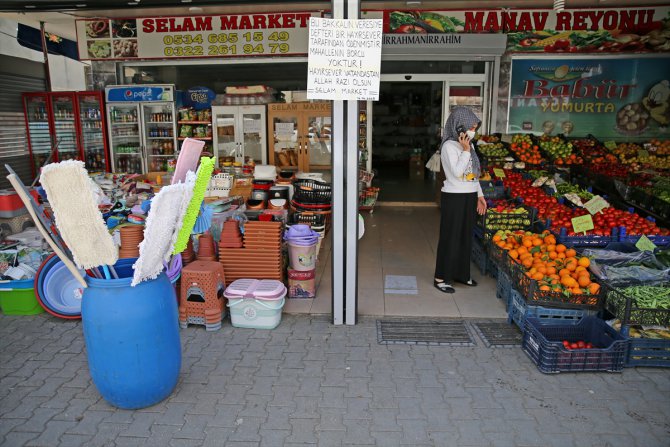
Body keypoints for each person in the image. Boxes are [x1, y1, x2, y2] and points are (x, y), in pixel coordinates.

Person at [433, 107, 487, 293]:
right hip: (454, 197)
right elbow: (456, 173)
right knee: (450, 237)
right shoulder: (448, 146)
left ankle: (462, 275)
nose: (473, 130)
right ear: (459, 126)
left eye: (475, 127)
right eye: (470, 126)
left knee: (465, 237)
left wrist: (479, 195)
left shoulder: (469, 145)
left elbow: (473, 174)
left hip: (469, 195)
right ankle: (441, 277)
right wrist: (465, 150)